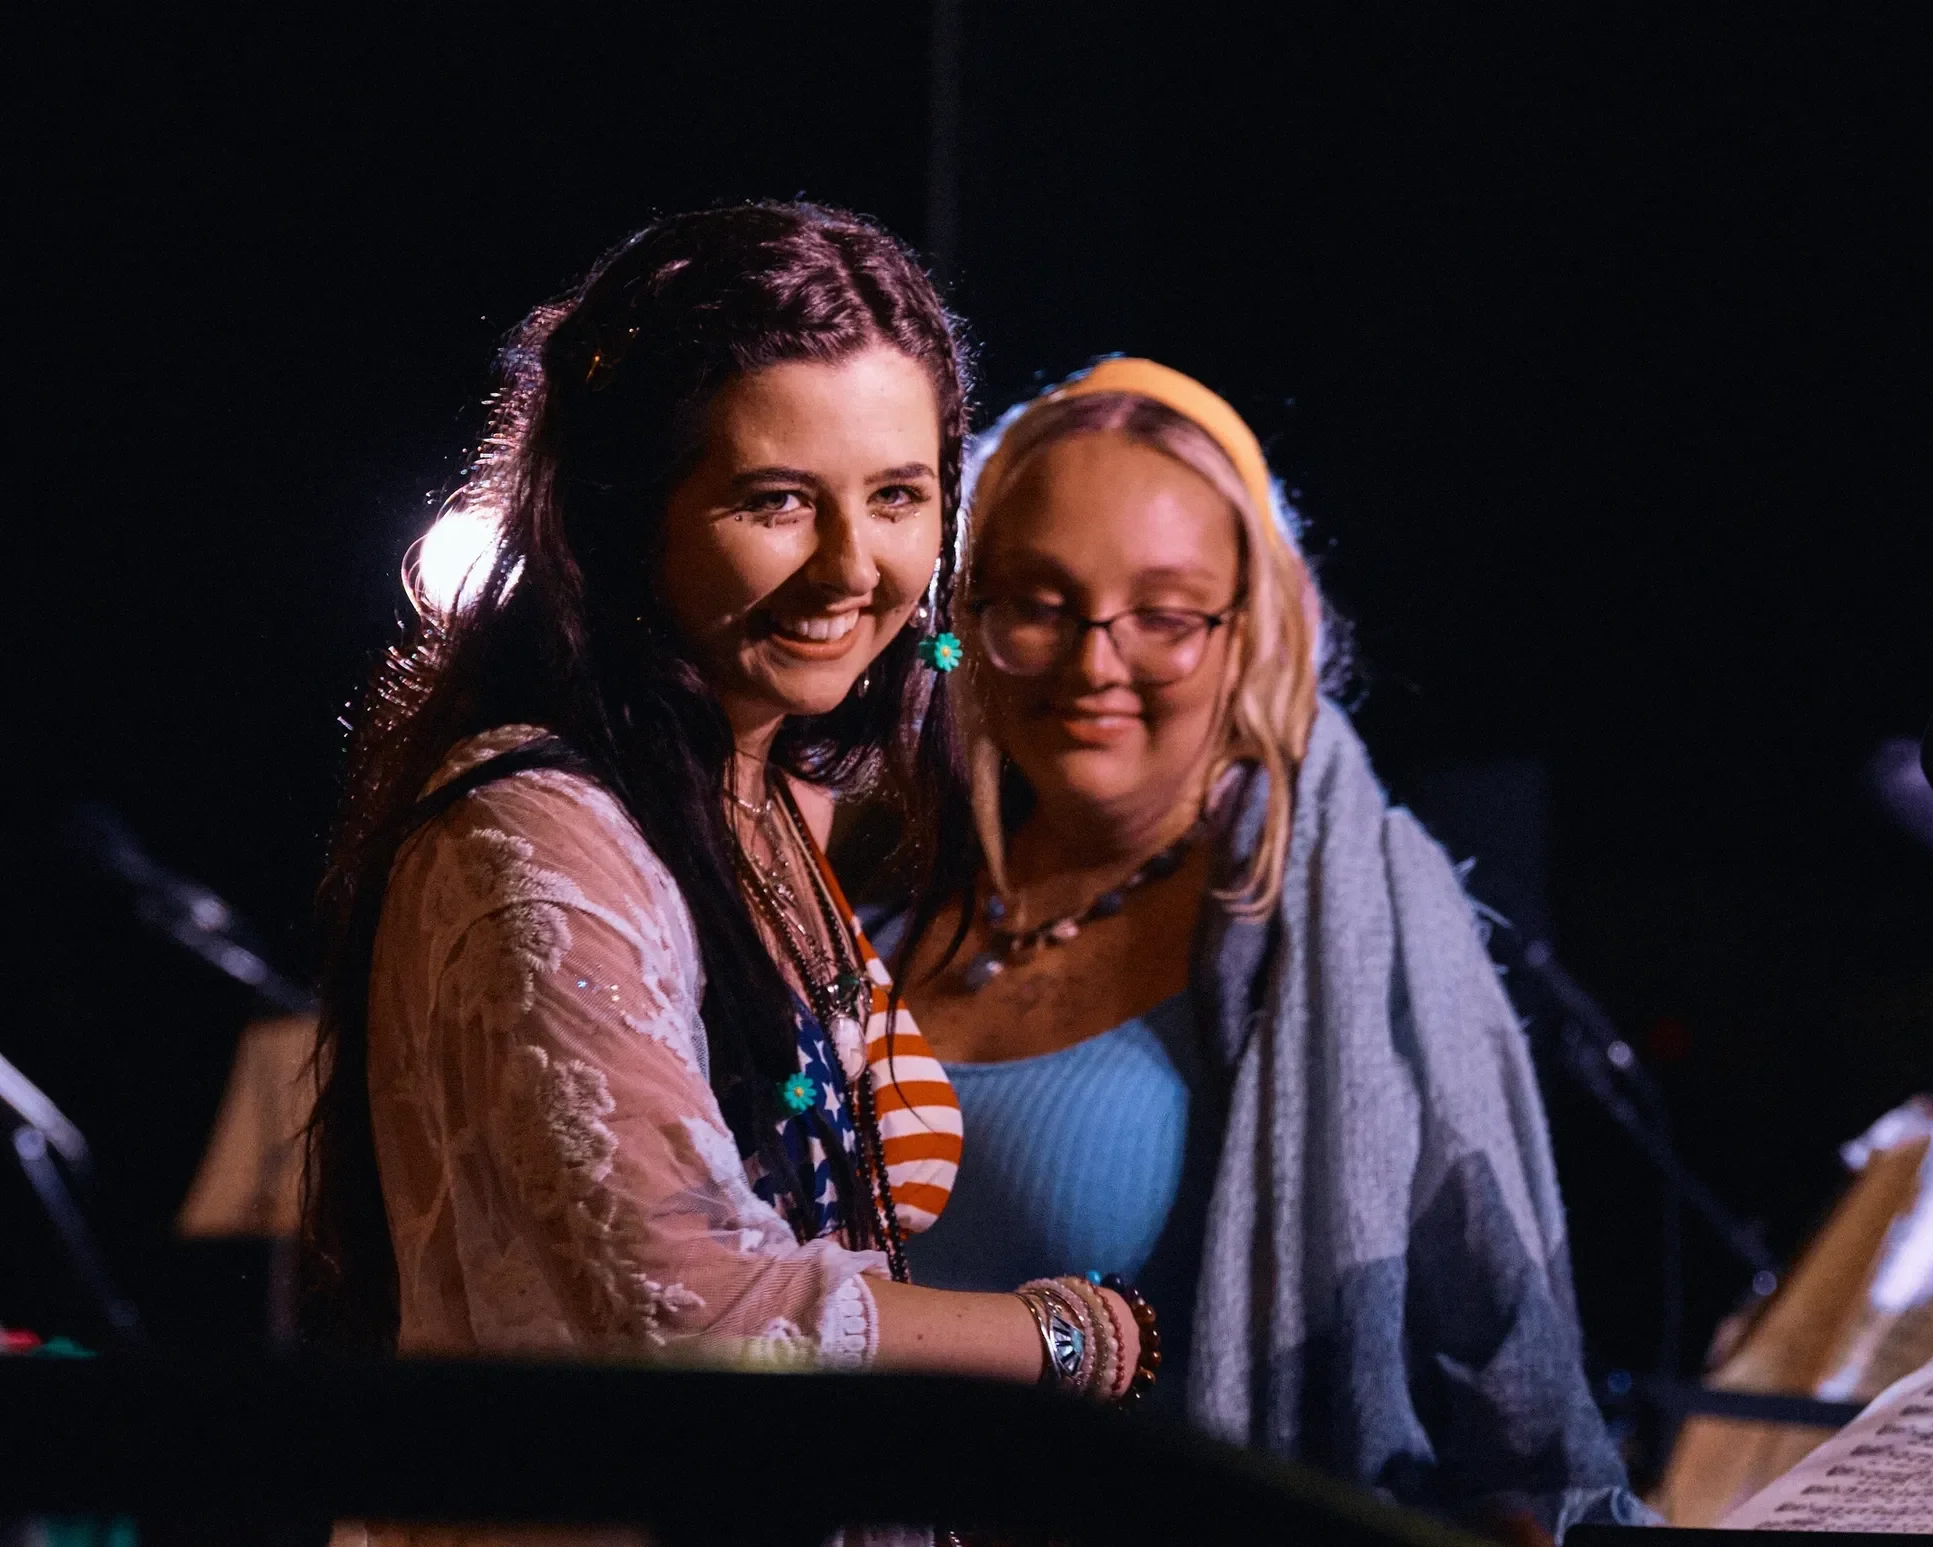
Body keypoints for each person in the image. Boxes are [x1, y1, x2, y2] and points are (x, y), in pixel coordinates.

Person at [303, 204, 1152, 1419]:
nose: (853, 566)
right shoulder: (536, 834)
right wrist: (1063, 1337)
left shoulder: (752, 796)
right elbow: (686, 1311)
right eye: (777, 501)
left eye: (900, 494)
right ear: (623, 511)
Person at [880, 358, 1646, 1540]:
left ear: (1255, 624)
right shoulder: (877, 895)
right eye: (1038, 601)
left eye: (1165, 615)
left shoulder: (1344, 913)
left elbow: (1507, 1378)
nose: (1095, 662)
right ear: (965, 614)